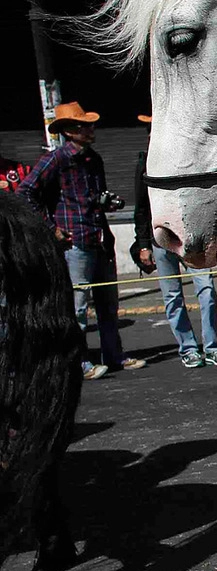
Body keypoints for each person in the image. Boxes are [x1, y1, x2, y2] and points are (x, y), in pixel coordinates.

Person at [19, 102, 145, 379]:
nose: (90, 129)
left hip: (100, 239)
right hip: (74, 242)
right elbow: (25, 192)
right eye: (83, 126)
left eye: (90, 124)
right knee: (77, 307)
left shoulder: (93, 159)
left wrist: (105, 203)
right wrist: (50, 228)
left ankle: (114, 355)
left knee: (108, 304)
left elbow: (93, 197)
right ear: (68, 131)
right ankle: (79, 362)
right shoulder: (56, 159)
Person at [130, 116, 217, 368]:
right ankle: (188, 348)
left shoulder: (187, 157)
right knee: (172, 295)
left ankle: (212, 345)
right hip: (161, 239)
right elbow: (141, 207)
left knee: (207, 290)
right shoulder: (146, 162)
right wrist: (143, 243)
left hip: (192, 237)